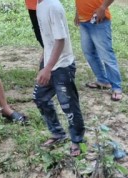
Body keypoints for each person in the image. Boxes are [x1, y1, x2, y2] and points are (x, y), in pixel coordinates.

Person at [34, 0, 85, 157]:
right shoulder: (39, 4)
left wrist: (47, 68)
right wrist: (44, 57)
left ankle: (77, 140)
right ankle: (57, 134)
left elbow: (60, 40)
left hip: (62, 66)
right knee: (40, 98)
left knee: (68, 105)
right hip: (50, 62)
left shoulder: (54, 6)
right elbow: (48, 36)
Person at [74, 0, 123, 101]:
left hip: (99, 19)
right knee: (88, 52)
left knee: (106, 55)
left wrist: (103, 7)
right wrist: (77, 12)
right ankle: (103, 81)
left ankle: (116, 88)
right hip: (84, 20)